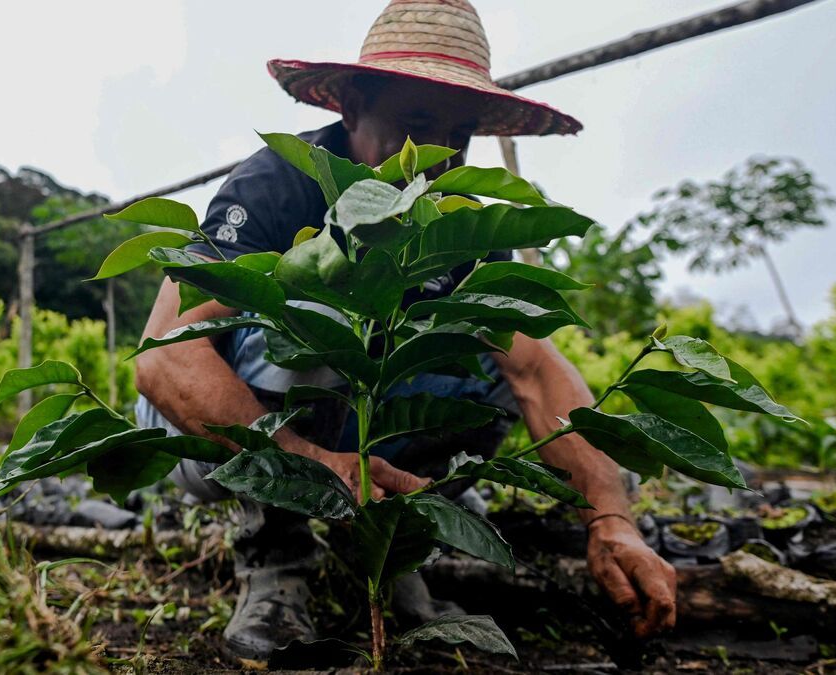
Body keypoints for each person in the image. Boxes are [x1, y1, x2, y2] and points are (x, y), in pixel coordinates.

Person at [134, 0, 676, 661]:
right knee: (328, 321)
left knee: (484, 375)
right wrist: (313, 467)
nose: (439, 158)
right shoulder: (280, 184)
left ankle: (395, 539)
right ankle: (275, 552)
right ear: (355, 105)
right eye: (417, 125)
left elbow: (535, 371)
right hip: (207, 426)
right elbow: (164, 359)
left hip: (343, 433)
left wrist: (612, 514)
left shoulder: (458, 224)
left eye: (460, 135)